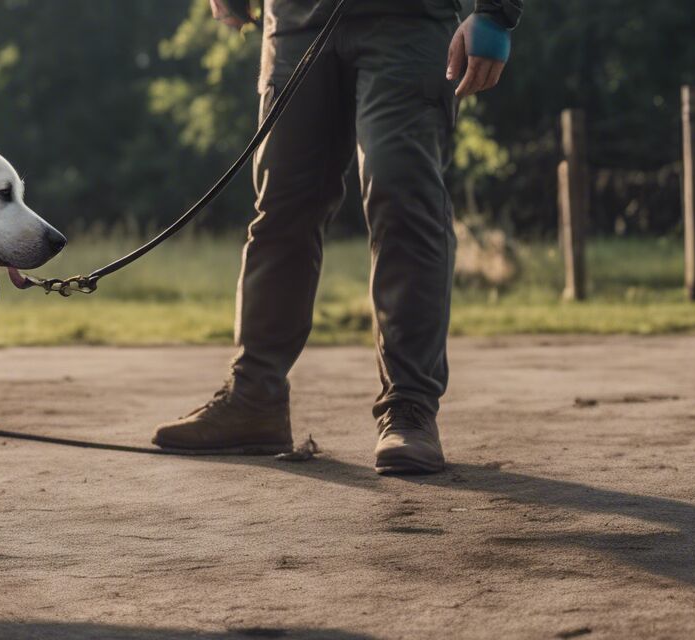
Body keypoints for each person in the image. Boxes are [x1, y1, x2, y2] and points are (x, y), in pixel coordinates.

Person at [151, 0, 522, 474]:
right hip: (297, 20)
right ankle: (254, 399)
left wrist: (495, 12)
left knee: (401, 194)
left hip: (409, 22)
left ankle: (409, 409)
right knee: (282, 204)